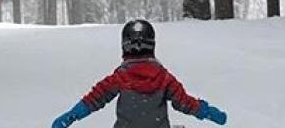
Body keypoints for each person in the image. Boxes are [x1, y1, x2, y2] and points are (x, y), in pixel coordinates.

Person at [51, 19, 227, 128]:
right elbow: (185, 103)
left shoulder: (120, 78)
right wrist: (208, 111)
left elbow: (93, 100)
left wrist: (71, 115)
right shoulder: (164, 78)